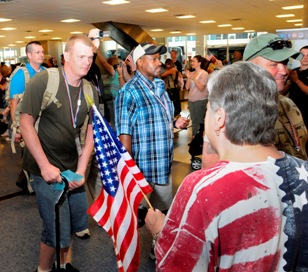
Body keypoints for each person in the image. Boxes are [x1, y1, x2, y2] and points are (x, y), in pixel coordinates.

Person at [145, 61, 308, 271]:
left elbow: (178, 266)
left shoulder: (202, 188)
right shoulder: (303, 171)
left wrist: (159, 232)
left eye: (208, 108)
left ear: (219, 118)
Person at [19, 30, 99, 272]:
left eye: (91, 57)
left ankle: (65, 264)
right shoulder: (44, 81)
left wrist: (82, 170)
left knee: (75, 222)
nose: (87, 62)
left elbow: (92, 132)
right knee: (56, 229)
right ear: (66, 56)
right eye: (81, 56)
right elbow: (26, 123)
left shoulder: (89, 89)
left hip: (72, 168)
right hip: (44, 168)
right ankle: (43, 270)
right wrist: (44, 166)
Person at [202, 33, 308, 169]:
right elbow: (211, 167)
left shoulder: (288, 104)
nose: (284, 71)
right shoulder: (231, 109)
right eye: (274, 64)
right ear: (250, 68)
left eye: (285, 63)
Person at [115, 43, 189, 213]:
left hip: (163, 165)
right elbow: (124, 136)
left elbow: (163, 116)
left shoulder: (159, 86)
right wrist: (131, 172)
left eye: (159, 59)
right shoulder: (129, 92)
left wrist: (175, 122)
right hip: (143, 170)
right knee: (139, 216)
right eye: (154, 59)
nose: (159, 63)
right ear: (140, 62)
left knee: (163, 213)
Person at [185, 55, 209, 140]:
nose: (192, 63)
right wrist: (189, 78)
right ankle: (194, 138)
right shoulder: (192, 73)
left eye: (194, 61)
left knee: (200, 121)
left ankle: (200, 140)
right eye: (192, 61)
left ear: (199, 63)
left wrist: (194, 79)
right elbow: (187, 87)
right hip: (191, 100)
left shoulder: (204, 74)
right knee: (194, 120)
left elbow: (201, 88)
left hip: (200, 101)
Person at [288, 45, 308, 132]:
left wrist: (297, 80)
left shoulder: (295, 76)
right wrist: (289, 81)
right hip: (293, 111)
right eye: (303, 55)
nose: (305, 58)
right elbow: (283, 91)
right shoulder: (293, 71)